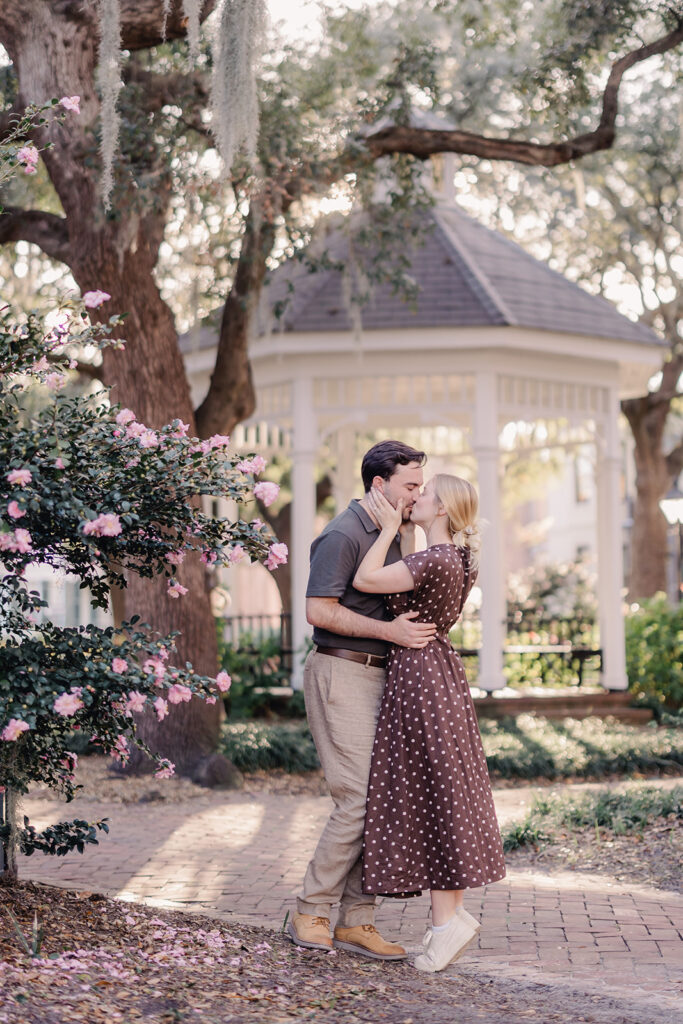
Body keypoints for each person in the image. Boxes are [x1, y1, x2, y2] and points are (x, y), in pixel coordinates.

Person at [287, 440, 437, 961]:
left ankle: (357, 920)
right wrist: (390, 632)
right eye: (410, 486)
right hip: (341, 672)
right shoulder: (343, 533)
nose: (418, 494)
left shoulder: (398, 532)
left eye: (421, 485)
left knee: (383, 798)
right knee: (357, 798)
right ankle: (310, 909)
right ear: (379, 485)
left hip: (385, 678)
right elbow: (318, 611)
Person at [353, 474, 506, 973]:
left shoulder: (432, 559)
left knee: (431, 791)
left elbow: (365, 580)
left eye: (424, 495)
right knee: (442, 789)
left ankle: (446, 926)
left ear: (441, 510)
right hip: (437, 672)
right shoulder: (456, 558)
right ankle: (451, 916)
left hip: (419, 674)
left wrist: (385, 529)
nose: (415, 498)